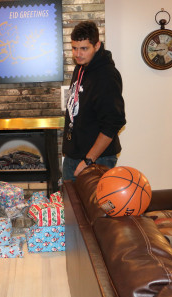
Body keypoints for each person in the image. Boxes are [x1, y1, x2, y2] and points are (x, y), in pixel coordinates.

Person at [62, 21, 126, 181]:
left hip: (96, 160)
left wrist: (88, 160)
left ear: (97, 45)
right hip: (74, 157)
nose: (77, 54)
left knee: (94, 206)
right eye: (74, 48)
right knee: (70, 205)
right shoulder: (81, 67)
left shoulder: (106, 76)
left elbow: (112, 124)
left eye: (84, 48)